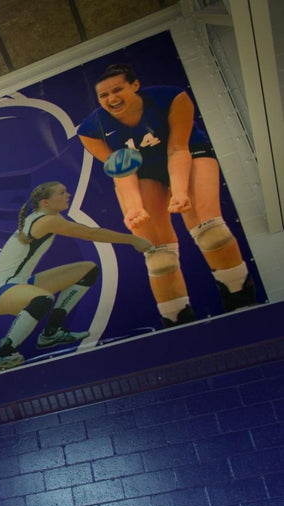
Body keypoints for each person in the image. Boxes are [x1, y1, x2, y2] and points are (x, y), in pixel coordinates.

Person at [77, 63, 256, 327]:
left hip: (186, 153)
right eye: (104, 95)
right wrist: (135, 207)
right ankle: (177, 321)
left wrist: (180, 191)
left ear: (134, 85)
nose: (111, 99)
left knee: (211, 233)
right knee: (158, 258)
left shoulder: (171, 98)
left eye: (118, 90)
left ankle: (241, 300)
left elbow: (177, 149)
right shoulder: (91, 129)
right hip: (142, 171)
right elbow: (122, 168)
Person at [0, 181, 153, 374]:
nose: (67, 195)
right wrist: (132, 239)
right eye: (61, 193)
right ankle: (1, 355)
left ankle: (51, 333)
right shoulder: (47, 220)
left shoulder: (47, 216)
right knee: (42, 299)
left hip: (19, 283)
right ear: (45, 202)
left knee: (88, 270)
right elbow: (90, 233)